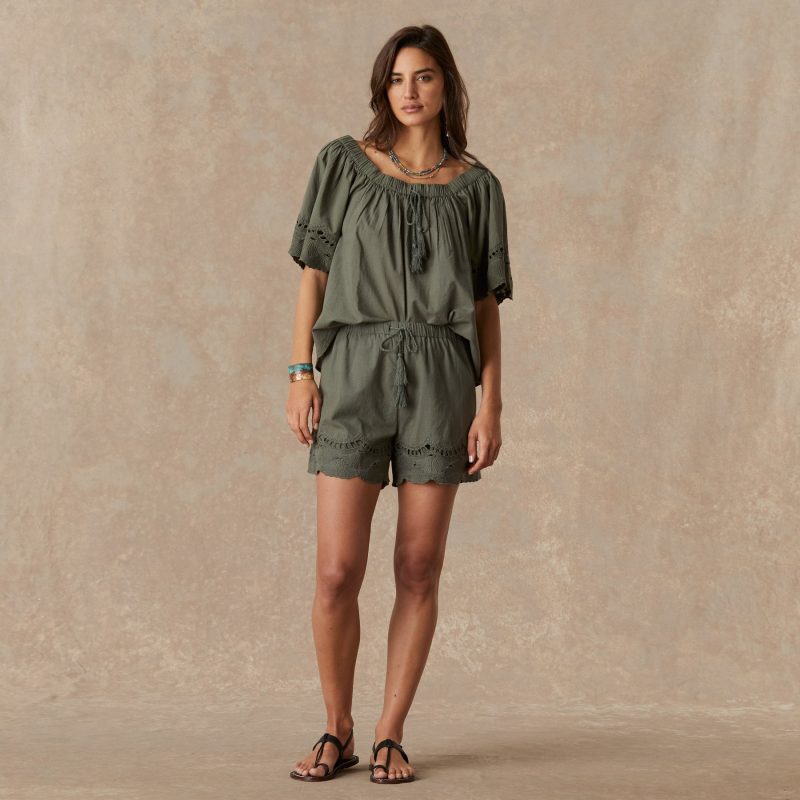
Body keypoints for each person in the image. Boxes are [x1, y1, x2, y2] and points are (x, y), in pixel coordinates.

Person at [286, 24, 513, 784]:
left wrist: (491, 405)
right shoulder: (343, 165)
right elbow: (314, 275)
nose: (409, 92)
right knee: (336, 571)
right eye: (396, 79)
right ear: (383, 88)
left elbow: (483, 305)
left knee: (418, 566)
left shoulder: (477, 188)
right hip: (353, 371)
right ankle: (337, 727)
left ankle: (389, 732)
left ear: (447, 85)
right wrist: (301, 372)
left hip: (443, 381)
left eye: (424, 77)